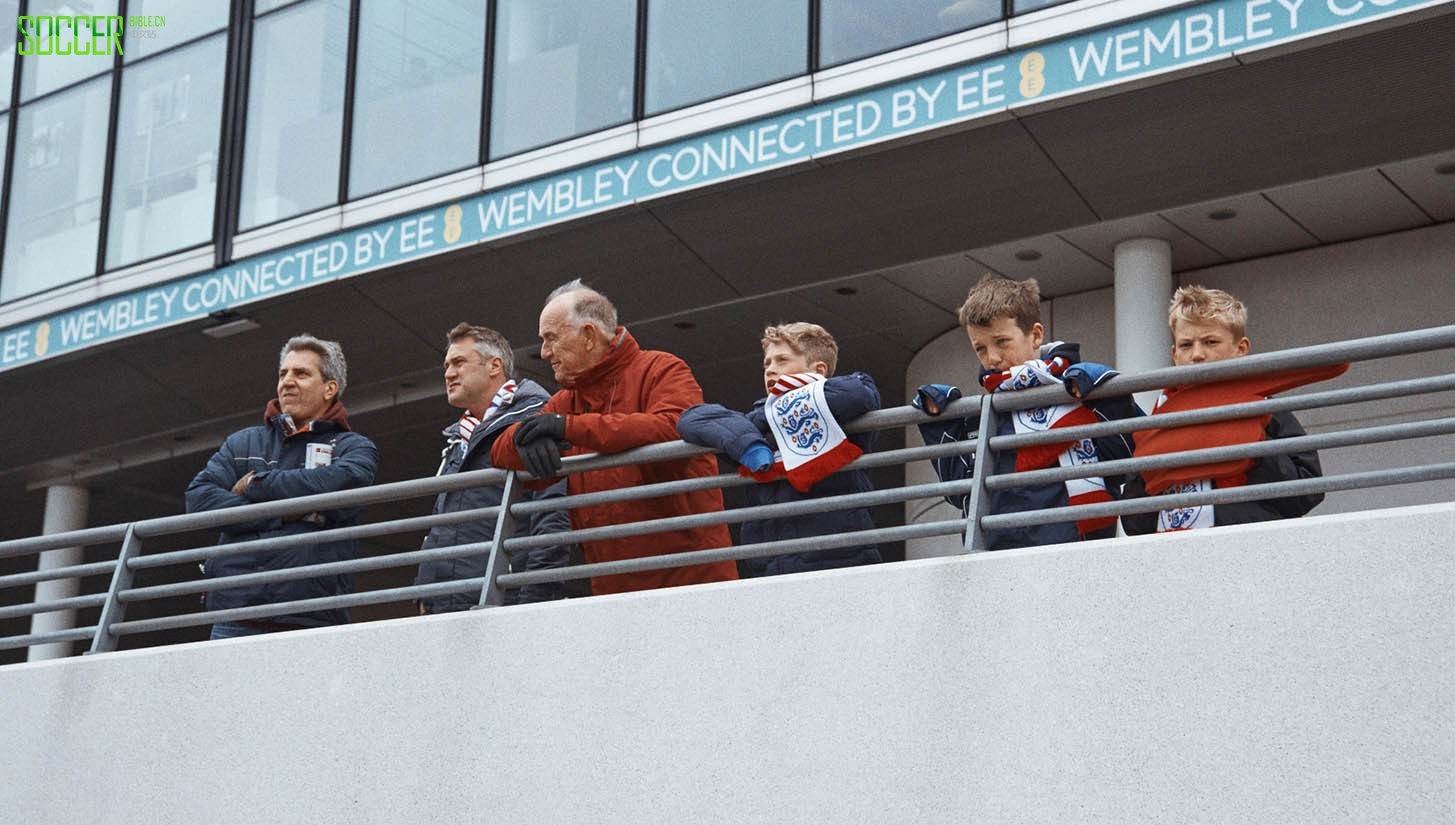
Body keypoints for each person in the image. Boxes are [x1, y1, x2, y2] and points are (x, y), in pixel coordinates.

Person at [490, 279, 738, 594]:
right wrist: (522, 441)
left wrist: (569, 427)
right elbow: (499, 452)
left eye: (551, 338)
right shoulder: (567, 401)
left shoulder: (663, 369)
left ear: (588, 336)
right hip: (613, 590)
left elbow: (672, 428)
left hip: (693, 583)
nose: (544, 352)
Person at [913, 275, 1141, 550]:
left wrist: (1107, 394)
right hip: (997, 557)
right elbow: (960, 492)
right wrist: (941, 422)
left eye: (1001, 342)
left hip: (1075, 553)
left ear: (1035, 335)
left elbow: (1129, 454)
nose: (991, 358)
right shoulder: (982, 415)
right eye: (980, 348)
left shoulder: (1078, 391)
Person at [186, 334, 379, 640]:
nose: (287, 382)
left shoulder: (354, 447)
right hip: (234, 614)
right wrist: (282, 513)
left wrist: (255, 483)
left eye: (301, 374)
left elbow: (343, 483)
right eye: (283, 374)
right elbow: (198, 500)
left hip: (310, 617)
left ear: (330, 388)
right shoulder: (243, 442)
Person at [1119, 286, 1340, 534]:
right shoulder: (1158, 421)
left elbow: (1307, 493)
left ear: (1241, 349)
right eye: (1186, 345)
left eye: (1210, 342)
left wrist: (1251, 447)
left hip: (1245, 545)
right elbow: (1134, 523)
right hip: (1174, 549)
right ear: (1174, 355)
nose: (1197, 354)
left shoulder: (1264, 408)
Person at [677, 322, 883, 576]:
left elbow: (858, 392)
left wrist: (765, 418)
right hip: (772, 570)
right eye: (767, 363)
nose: (771, 370)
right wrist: (750, 444)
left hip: (841, 565)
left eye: (782, 360)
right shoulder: (753, 429)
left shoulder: (841, 406)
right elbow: (691, 419)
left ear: (818, 370)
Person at [413, 323, 571, 612]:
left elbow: (553, 514)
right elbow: (440, 524)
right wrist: (424, 594)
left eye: (459, 362)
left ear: (494, 366)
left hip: (507, 602)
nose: (449, 373)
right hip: (447, 606)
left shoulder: (537, 419)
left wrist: (534, 600)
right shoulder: (457, 438)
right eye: (447, 365)